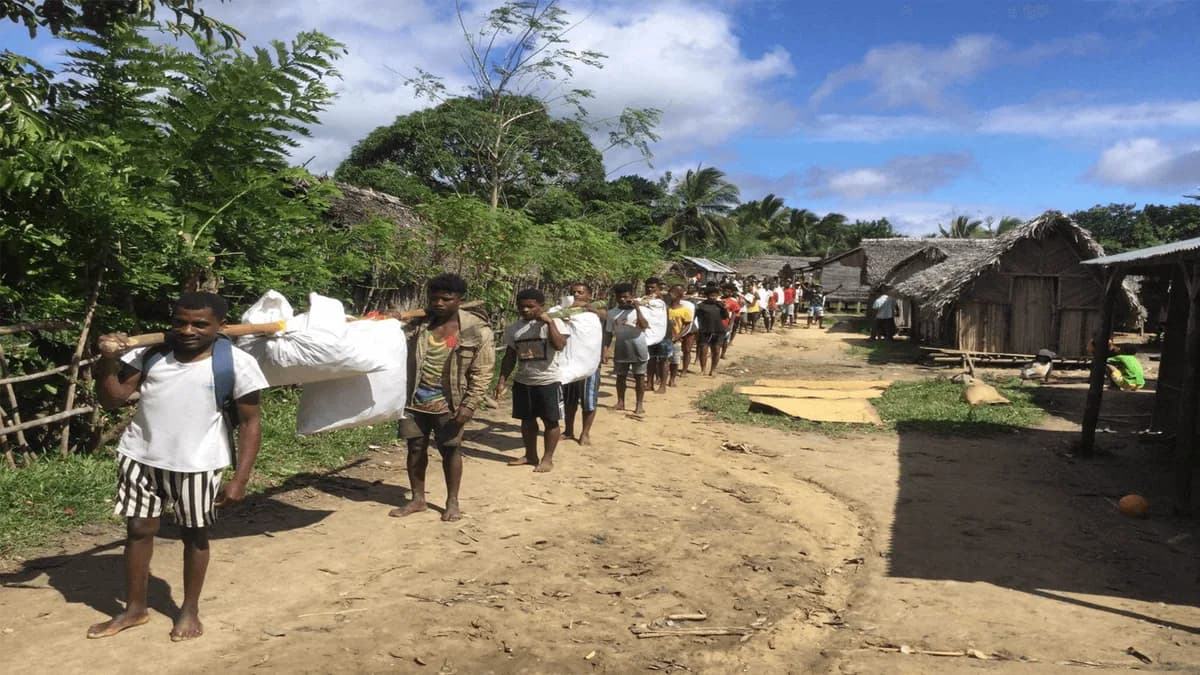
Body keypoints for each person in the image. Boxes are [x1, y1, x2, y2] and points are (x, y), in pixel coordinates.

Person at [90, 292, 268, 642]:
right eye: (180, 322)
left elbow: (251, 423)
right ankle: (135, 609)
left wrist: (240, 479)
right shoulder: (152, 354)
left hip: (197, 463)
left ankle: (188, 609)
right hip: (141, 455)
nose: (188, 330)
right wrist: (109, 361)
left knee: (194, 534)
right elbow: (112, 399)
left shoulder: (236, 362)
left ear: (220, 326)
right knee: (138, 530)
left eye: (200, 324)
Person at [394, 273, 494, 521]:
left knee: (450, 449)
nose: (438, 303)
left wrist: (469, 405)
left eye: (445, 299)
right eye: (434, 298)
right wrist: (393, 320)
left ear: (460, 300)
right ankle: (418, 499)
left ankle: (452, 501)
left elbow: (482, 371)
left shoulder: (475, 330)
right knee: (415, 447)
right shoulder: (419, 325)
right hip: (414, 399)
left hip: (450, 402)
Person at [495, 288, 569, 473]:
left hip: (548, 381)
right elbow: (510, 356)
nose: (526, 310)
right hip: (524, 380)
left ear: (541, 306)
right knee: (527, 420)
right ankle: (530, 454)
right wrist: (502, 380)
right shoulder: (514, 329)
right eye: (522, 307)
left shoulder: (555, 323)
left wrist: (549, 322)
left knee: (551, 421)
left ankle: (547, 458)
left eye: (531, 306)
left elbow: (559, 345)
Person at [563, 282, 605, 446]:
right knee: (569, 399)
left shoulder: (593, 311)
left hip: (590, 363)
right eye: (574, 293)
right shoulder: (566, 310)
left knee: (588, 399)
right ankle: (568, 430)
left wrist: (589, 308)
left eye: (581, 292)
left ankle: (585, 433)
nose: (577, 295)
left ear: (589, 295)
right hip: (570, 361)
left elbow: (604, 316)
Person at [605, 282, 650, 414]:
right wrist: (605, 350)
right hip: (621, 347)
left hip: (638, 347)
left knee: (639, 376)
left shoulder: (641, 310)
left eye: (625, 297)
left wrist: (637, 309)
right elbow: (608, 333)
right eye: (619, 297)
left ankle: (639, 404)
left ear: (632, 296)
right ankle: (620, 402)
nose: (623, 300)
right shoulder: (612, 313)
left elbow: (644, 325)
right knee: (620, 376)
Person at [643, 277, 671, 394]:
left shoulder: (666, 298)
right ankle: (649, 383)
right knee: (651, 360)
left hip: (664, 334)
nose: (650, 289)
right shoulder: (644, 299)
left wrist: (658, 298)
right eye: (648, 287)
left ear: (659, 288)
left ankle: (663, 385)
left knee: (663, 360)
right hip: (649, 334)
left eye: (652, 287)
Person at [694, 284, 729, 376]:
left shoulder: (720, 305)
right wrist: (698, 329)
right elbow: (696, 318)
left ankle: (712, 370)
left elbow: (725, 317)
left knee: (716, 351)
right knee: (703, 351)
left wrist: (725, 308)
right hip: (705, 331)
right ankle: (703, 369)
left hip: (719, 330)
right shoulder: (701, 306)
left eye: (715, 296)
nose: (713, 297)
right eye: (711, 295)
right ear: (707, 296)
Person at [667, 284, 694, 387]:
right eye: (672, 292)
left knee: (674, 360)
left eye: (676, 293)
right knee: (661, 360)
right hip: (663, 338)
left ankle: (672, 379)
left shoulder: (685, 310)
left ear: (680, 295)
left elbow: (687, 325)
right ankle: (660, 378)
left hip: (675, 339)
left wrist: (679, 336)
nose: (671, 294)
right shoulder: (665, 308)